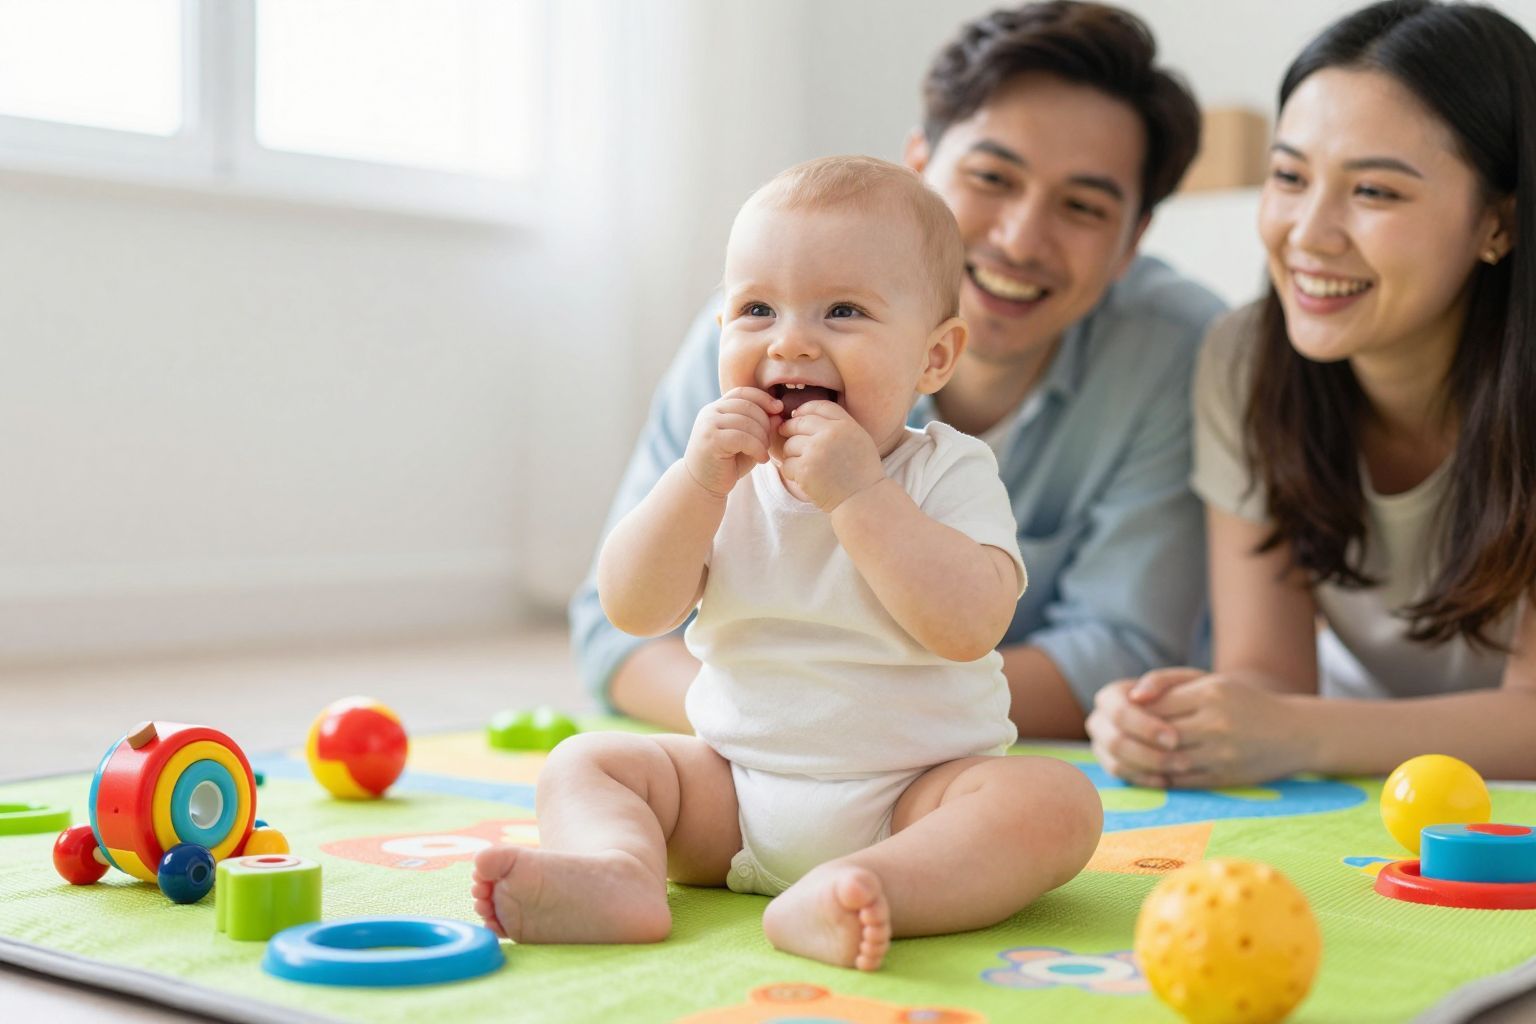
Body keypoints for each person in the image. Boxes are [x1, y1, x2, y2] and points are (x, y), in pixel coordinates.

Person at [472, 157, 1103, 971]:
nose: (791, 340)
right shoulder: (721, 477)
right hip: (732, 794)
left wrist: (860, 495)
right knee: (586, 762)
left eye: (844, 310)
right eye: (756, 309)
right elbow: (631, 609)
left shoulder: (948, 470)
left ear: (934, 358)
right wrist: (695, 485)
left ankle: (872, 888)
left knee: (1056, 804)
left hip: (914, 799)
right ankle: (618, 874)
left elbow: (969, 626)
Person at [569, 1, 1227, 738]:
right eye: (991, 177)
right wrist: (770, 727)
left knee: (1045, 799)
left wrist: (863, 726)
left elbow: (1117, 659)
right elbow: (616, 630)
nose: (1020, 239)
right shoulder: (758, 338)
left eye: (1081, 206)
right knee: (594, 768)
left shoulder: (1180, 351)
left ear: (1133, 239)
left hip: (936, 755)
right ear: (917, 166)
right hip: (764, 739)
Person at [1087, 0, 1536, 789]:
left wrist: (1296, 732)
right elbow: (1268, 678)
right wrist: (1176, 723)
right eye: (1290, 177)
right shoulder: (1244, 360)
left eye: (1375, 192)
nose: (1309, 233)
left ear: (1498, 223)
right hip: (1374, 772)